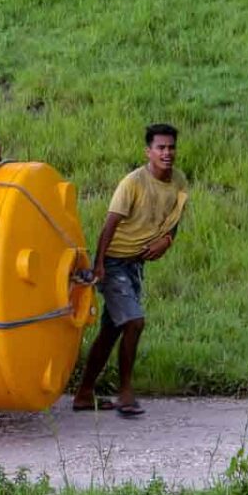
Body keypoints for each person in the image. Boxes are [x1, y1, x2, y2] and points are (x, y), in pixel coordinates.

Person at [72, 124, 189, 417]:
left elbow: (175, 216)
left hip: (135, 265)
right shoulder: (133, 182)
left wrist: (167, 240)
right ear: (148, 151)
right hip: (115, 262)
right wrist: (99, 264)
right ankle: (125, 392)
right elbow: (109, 225)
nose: (167, 153)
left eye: (171, 147)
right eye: (160, 148)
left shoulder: (178, 180)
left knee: (112, 331)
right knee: (135, 322)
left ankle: (84, 394)